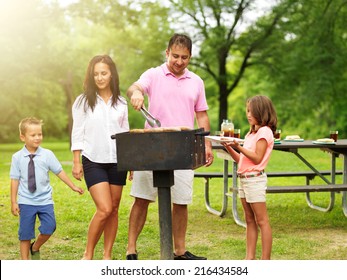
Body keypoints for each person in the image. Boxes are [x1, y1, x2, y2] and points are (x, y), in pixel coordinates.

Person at [126, 33, 214, 260]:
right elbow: (135, 87)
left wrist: (206, 143)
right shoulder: (153, 74)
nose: (179, 61)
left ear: (190, 57)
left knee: (181, 200)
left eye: (184, 57)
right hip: (151, 145)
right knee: (142, 198)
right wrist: (136, 94)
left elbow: (201, 115)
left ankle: (179, 251)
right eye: (175, 56)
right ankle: (131, 250)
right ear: (167, 53)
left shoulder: (196, 81)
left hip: (184, 146)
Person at [71, 54, 129, 260]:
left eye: (103, 73)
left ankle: (107, 256)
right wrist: (76, 161)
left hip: (117, 161)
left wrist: (129, 161)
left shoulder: (121, 102)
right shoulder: (83, 101)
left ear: (111, 73)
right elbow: (77, 132)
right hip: (93, 160)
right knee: (104, 208)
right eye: (96, 74)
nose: (100, 77)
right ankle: (88, 254)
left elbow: (125, 133)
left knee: (114, 210)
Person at [10, 117, 84, 260]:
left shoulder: (47, 154)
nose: (37, 138)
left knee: (49, 227)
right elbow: (14, 180)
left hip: (45, 201)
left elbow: (59, 172)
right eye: (33, 135)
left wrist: (73, 186)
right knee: (25, 233)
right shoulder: (17, 157)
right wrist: (14, 201)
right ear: (22, 137)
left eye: (40, 134)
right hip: (26, 201)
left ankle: (35, 247)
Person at [222, 95, 277, 260]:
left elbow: (257, 158)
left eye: (251, 111)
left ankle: (265, 260)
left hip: (255, 180)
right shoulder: (251, 133)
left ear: (261, 111)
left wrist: (238, 145)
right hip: (244, 179)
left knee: (262, 221)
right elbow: (242, 160)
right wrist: (230, 148)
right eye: (247, 110)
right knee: (249, 220)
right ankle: (249, 258)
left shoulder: (264, 132)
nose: (248, 114)